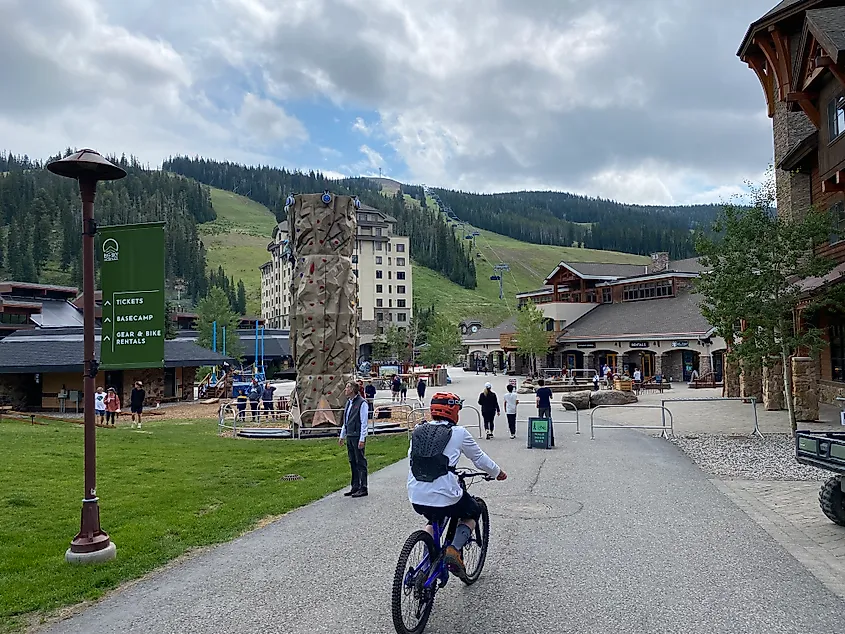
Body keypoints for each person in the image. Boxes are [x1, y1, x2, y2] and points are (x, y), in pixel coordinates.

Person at [407, 392, 508, 581]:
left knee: (432, 520)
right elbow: (479, 459)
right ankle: (454, 550)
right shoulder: (459, 433)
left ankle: (426, 563)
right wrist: (497, 472)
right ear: (453, 411)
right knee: (472, 511)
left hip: (416, 494)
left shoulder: (418, 431)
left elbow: (412, 460)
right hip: (446, 494)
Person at [338, 380, 369, 498]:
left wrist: (362, 438)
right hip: (350, 435)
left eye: (347, 387)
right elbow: (346, 421)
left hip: (357, 435)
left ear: (352, 390)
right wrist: (342, 435)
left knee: (360, 461)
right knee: (352, 461)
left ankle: (363, 487)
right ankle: (355, 486)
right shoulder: (348, 403)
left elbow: (364, 422)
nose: (345, 389)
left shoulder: (362, 403)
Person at [535, 378, 555, 446]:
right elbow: (551, 397)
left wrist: (537, 404)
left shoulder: (539, 391)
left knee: (540, 419)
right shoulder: (548, 389)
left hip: (541, 406)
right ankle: (550, 435)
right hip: (547, 406)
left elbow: (537, 399)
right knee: (548, 419)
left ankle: (541, 433)